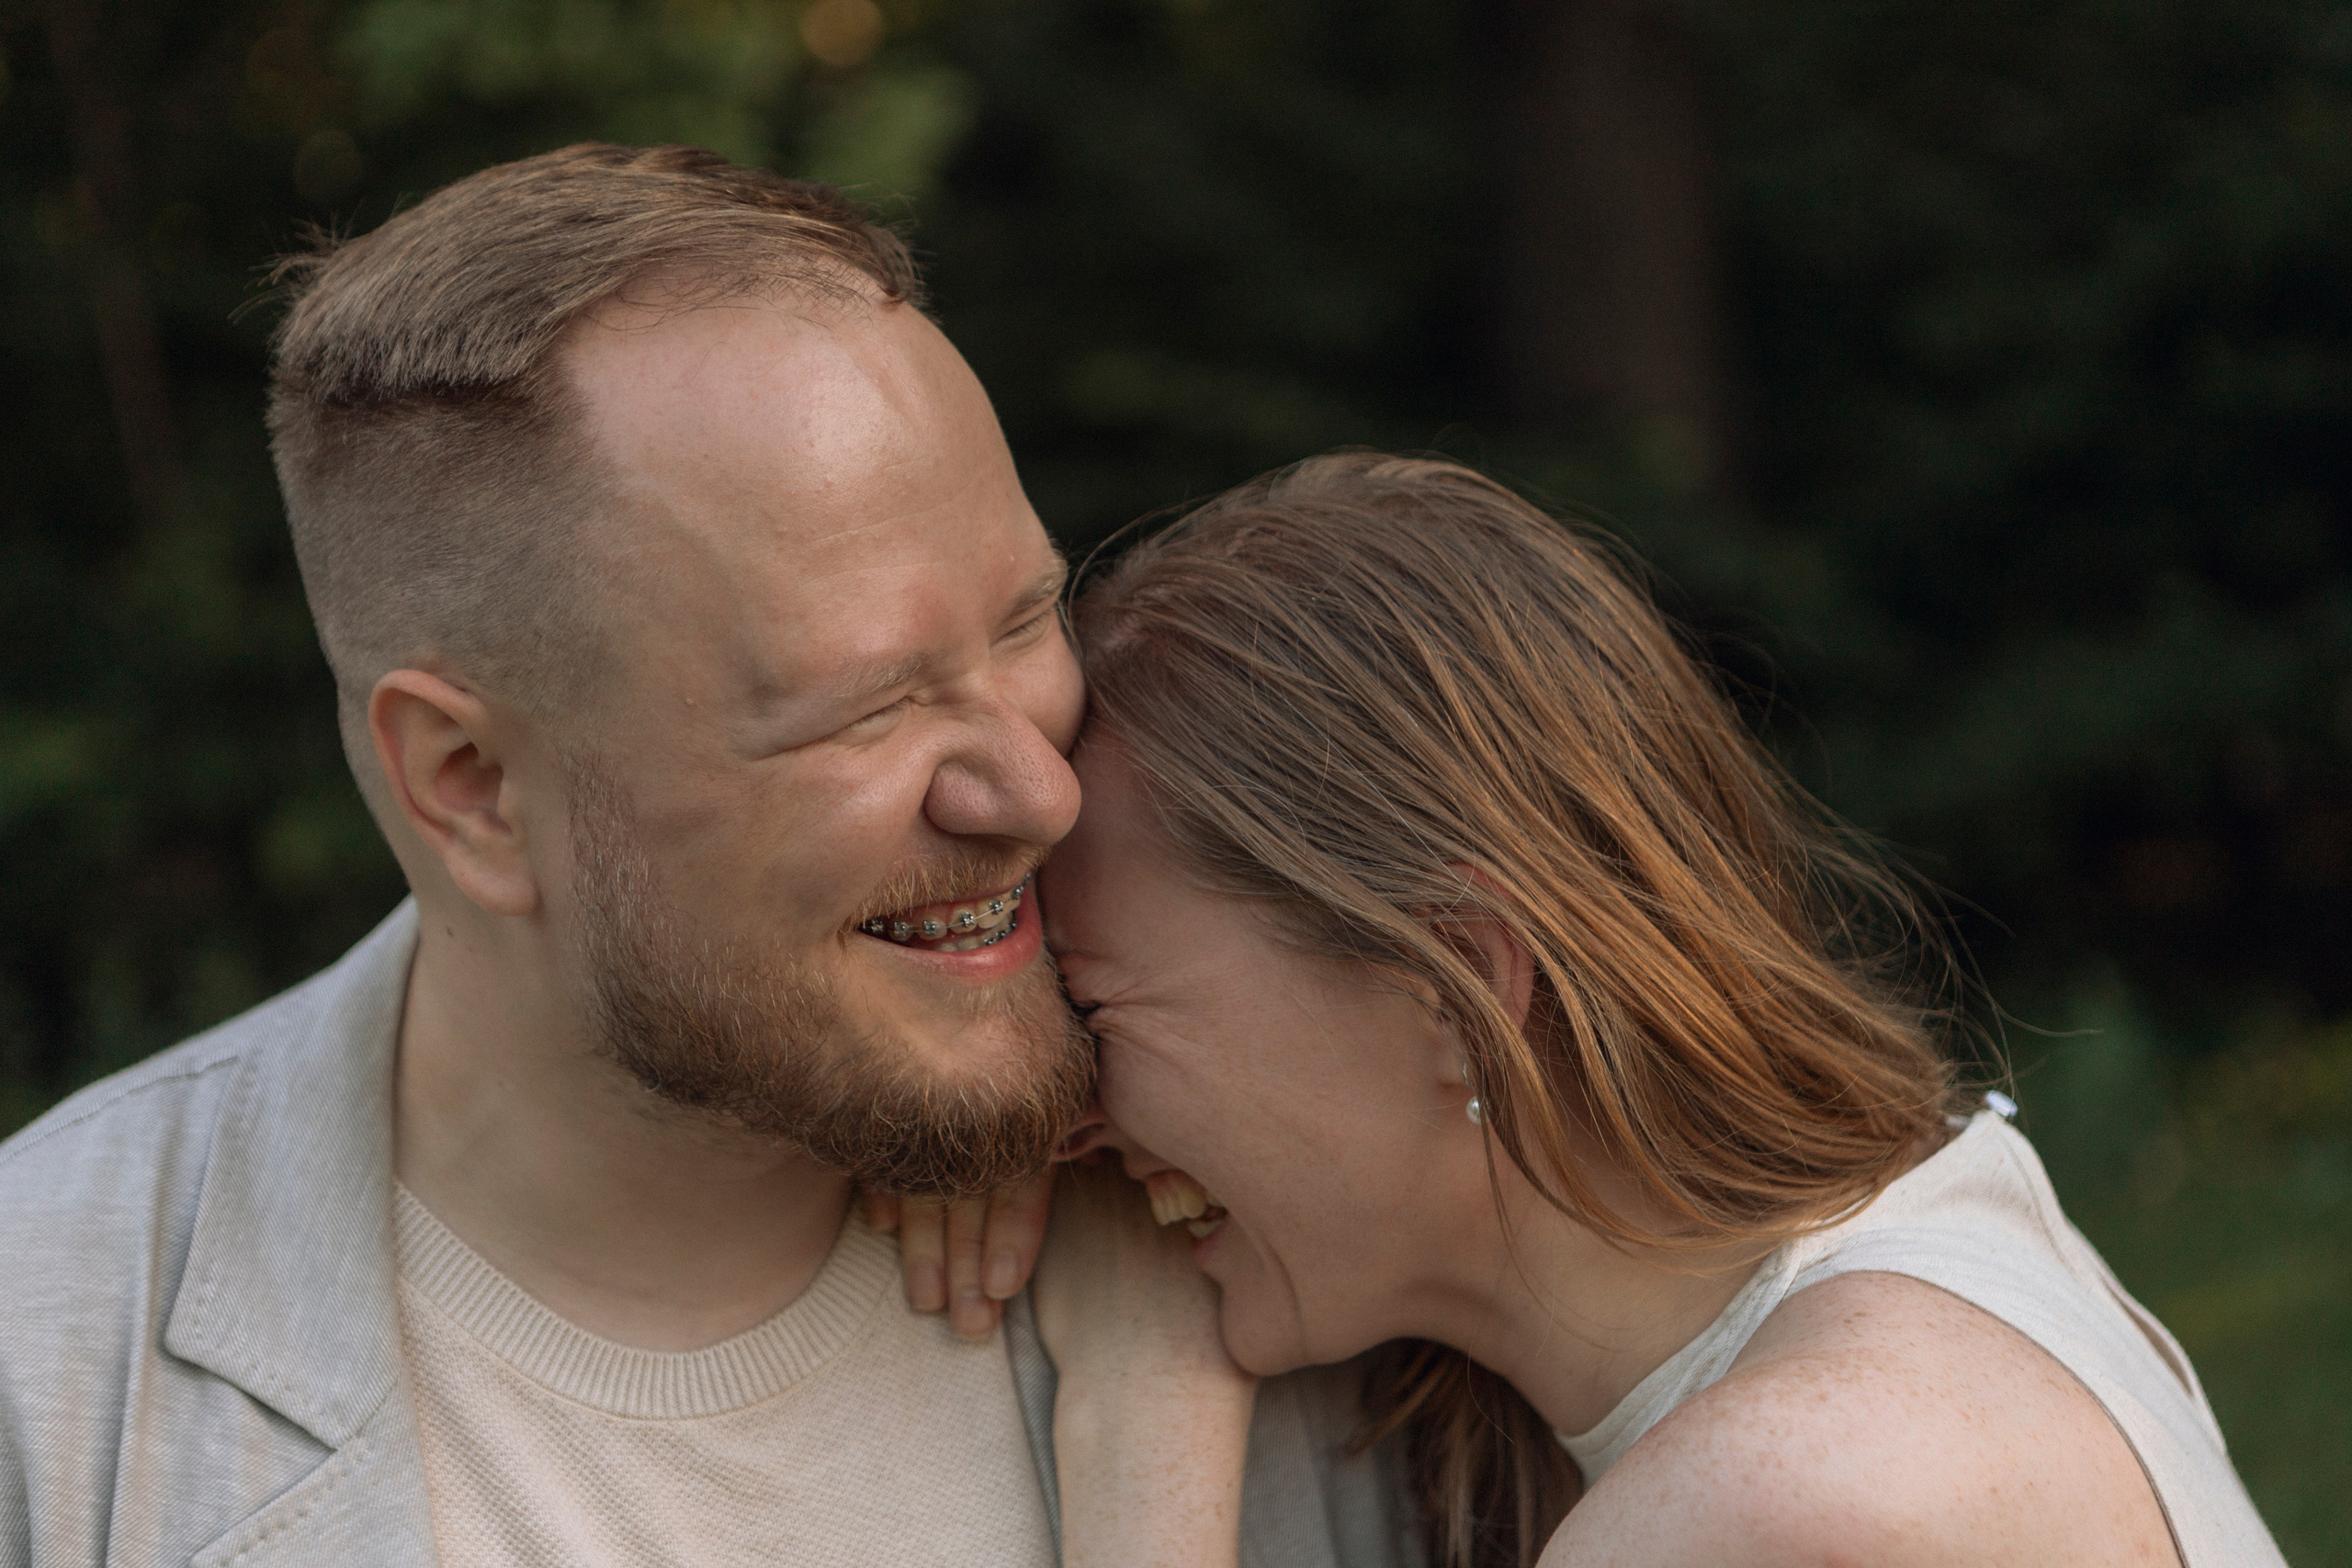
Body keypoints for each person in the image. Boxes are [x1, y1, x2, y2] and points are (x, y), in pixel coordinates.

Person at [0, 146, 1410, 1568]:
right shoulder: (46, 1383)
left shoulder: (1297, 1239)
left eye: (1026, 621)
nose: (1039, 790)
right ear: (473, 786)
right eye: (869, 704)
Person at [1027, 453, 2288, 1568]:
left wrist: (1140, 1413)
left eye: (1090, 1004)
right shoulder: (1942, 1249)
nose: (1067, 1112)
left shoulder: (1792, 1491)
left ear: (1455, 984)